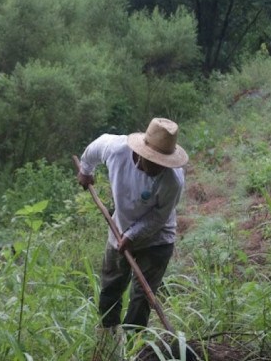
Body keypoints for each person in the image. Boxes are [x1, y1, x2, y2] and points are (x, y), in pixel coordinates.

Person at [76, 117, 188, 335]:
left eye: (163, 163)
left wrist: (132, 235)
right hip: (119, 230)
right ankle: (109, 344)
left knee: (141, 299)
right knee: (110, 289)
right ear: (142, 153)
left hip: (157, 239)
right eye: (154, 161)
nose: (159, 167)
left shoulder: (173, 180)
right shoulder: (116, 150)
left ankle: (135, 349)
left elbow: (159, 217)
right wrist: (86, 171)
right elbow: (93, 149)